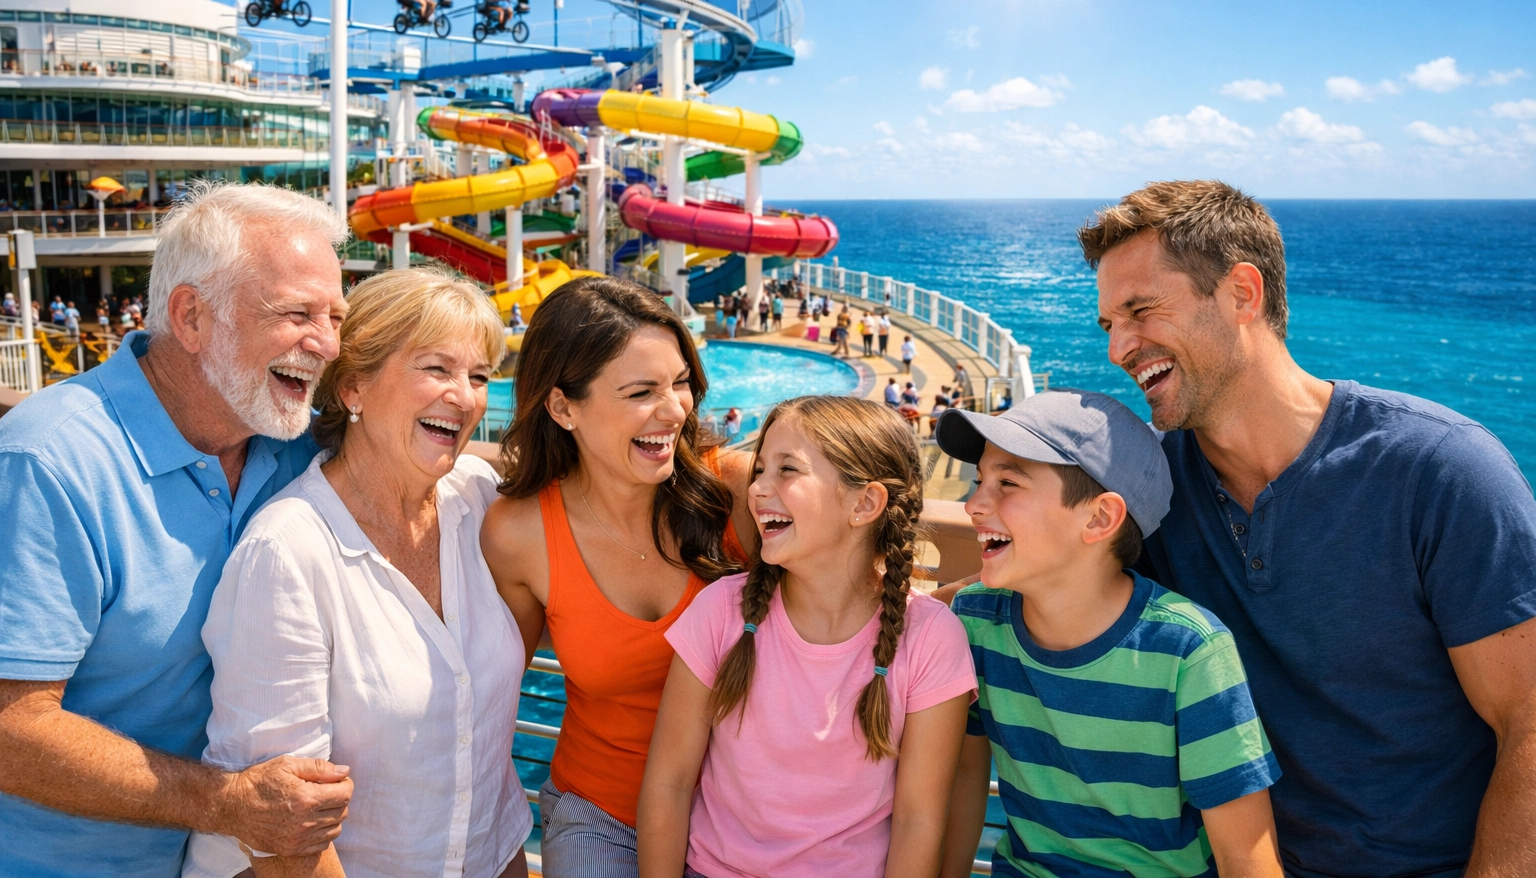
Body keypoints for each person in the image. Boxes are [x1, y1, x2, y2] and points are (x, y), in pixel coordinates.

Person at [1081, 181, 1536, 876]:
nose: (1120, 349)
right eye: (1109, 324)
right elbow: (1042, 582)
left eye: (1140, 311)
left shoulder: (1441, 470)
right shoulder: (1152, 489)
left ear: (1241, 293)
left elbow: (1528, 722)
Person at [0, 183, 354, 877]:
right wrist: (227, 803)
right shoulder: (48, 461)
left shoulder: (293, 447)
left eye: (336, 317)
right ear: (191, 317)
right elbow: (10, 730)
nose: (328, 345)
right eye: (297, 314)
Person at [185, 269, 531, 878]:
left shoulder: (478, 499)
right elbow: (284, 836)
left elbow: (488, 792)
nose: (466, 396)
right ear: (354, 389)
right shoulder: (287, 553)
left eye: (479, 376)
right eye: (437, 368)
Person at [935, 391, 1283, 877]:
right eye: (979, 482)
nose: (974, 505)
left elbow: (1247, 859)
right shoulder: (975, 624)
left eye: (1008, 483)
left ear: (1100, 518)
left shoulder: (1188, 653)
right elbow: (965, 780)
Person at [479, 278, 754, 877]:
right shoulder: (520, 534)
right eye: (641, 392)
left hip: (743, 822)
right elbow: (490, 695)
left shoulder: (738, 494)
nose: (675, 408)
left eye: (680, 383)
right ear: (562, 407)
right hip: (598, 814)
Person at [638, 396, 975, 878]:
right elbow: (668, 783)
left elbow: (917, 823)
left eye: (787, 470)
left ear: (864, 503)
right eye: (760, 471)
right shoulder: (719, 612)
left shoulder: (931, 640)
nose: (757, 490)